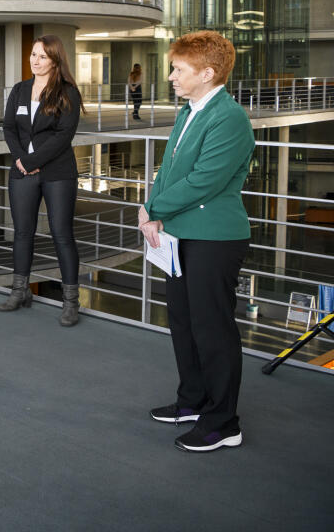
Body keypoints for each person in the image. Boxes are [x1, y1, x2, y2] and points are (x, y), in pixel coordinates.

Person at [139, 31, 254, 453]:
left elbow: (205, 181)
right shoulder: (191, 110)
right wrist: (153, 207)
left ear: (207, 73)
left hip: (215, 238)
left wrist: (153, 209)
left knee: (213, 330)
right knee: (184, 324)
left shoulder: (229, 117)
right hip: (181, 233)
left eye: (178, 69)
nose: (170, 76)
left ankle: (223, 422)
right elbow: (170, 172)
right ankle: (193, 402)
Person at [0, 35, 83, 325]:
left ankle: (71, 302)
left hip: (57, 172)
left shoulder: (68, 92)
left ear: (55, 60)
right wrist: (22, 160)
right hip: (22, 172)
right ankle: (20, 291)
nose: (35, 60)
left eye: (42, 56)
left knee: (62, 235)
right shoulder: (20, 90)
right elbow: (9, 127)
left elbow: (63, 136)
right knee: (22, 233)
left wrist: (33, 161)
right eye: (33, 55)